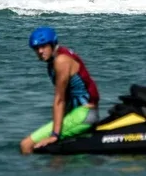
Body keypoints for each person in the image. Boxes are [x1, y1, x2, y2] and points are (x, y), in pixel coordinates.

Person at [20, 26, 100, 154]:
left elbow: (60, 99)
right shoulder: (60, 56)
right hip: (82, 113)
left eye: (43, 46)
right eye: (36, 48)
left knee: (26, 144)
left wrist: (55, 135)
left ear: (52, 44)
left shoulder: (61, 61)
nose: (40, 51)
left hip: (83, 114)